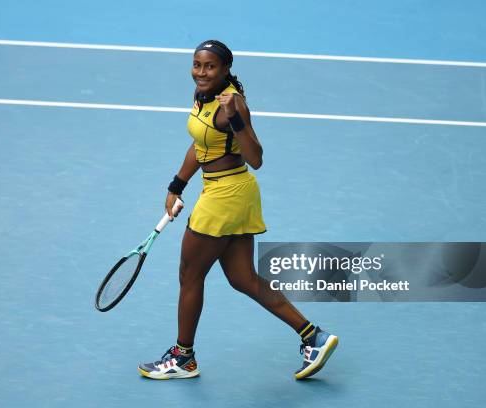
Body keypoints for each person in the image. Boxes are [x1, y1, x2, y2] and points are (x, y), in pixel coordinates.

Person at [138, 40, 338, 380]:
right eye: (197, 64)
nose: (201, 72)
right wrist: (176, 185)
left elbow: (256, 158)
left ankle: (183, 357)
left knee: (190, 275)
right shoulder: (203, 95)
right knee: (242, 278)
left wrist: (235, 120)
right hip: (230, 193)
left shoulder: (233, 106)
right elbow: (201, 144)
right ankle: (313, 337)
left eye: (210, 67)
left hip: (226, 196)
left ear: (226, 69)